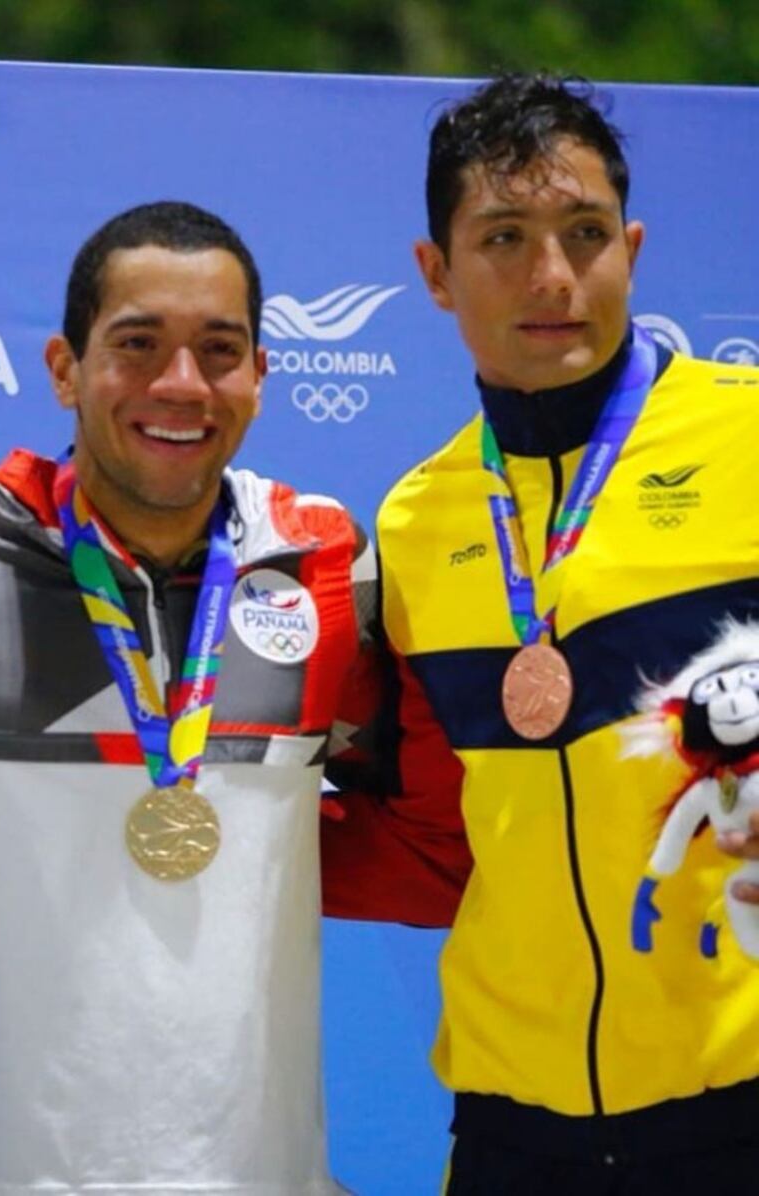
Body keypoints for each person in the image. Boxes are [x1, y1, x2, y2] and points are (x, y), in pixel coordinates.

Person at [0, 200, 395, 1195]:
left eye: (218, 349)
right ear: (65, 367)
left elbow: (428, 833)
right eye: (138, 345)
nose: (180, 384)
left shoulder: (324, 562)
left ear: (262, 376)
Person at [323, 73, 759, 1192]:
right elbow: (430, 820)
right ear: (434, 272)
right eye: (504, 237)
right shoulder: (415, 522)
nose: (552, 276)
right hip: (515, 1119)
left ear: (635, 246)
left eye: (585, 233)